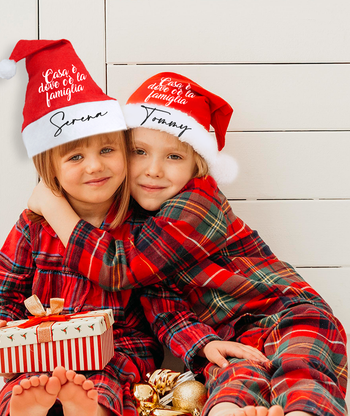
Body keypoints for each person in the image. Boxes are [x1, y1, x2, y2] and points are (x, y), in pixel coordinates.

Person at [28, 73, 348, 416]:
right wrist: (203, 343)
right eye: (139, 152)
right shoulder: (134, 222)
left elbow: (119, 268)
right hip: (229, 334)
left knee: (301, 368)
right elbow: (161, 303)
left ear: (197, 165)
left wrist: (52, 205)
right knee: (231, 381)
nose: (153, 170)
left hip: (286, 313)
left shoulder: (196, 204)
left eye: (173, 157)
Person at [0, 39, 164, 416]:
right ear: (51, 170)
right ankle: (30, 407)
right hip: (41, 343)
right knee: (26, 380)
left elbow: (162, 302)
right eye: (76, 156)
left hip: (120, 344)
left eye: (107, 150)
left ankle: (89, 408)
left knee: (111, 379)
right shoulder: (33, 228)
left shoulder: (141, 225)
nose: (95, 166)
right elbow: (3, 295)